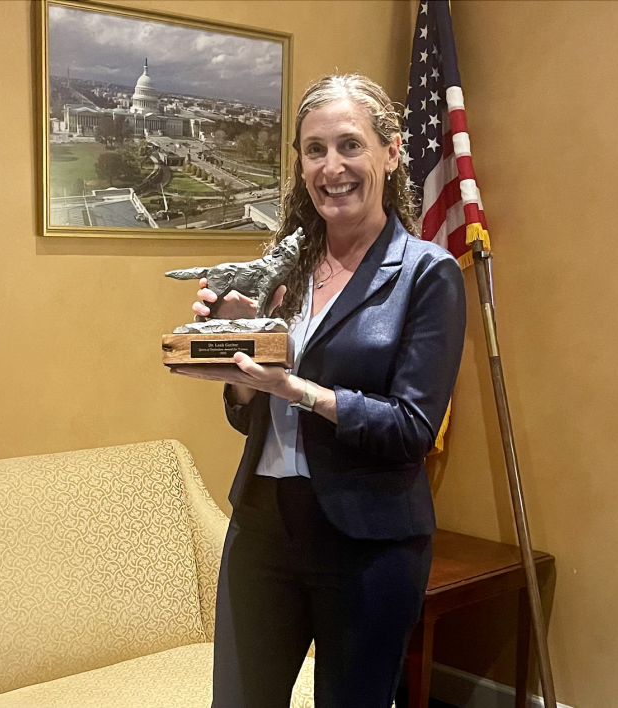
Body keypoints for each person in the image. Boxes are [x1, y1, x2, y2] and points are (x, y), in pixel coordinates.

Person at [172, 74, 466, 708]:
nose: (332, 167)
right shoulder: (286, 268)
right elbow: (249, 415)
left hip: (369, 544)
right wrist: (236, 364)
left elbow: (412, 428)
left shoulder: (427, 274)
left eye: (350, 145)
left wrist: (297, 388)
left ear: (390, 153)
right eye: (314, 150)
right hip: (262, 530)